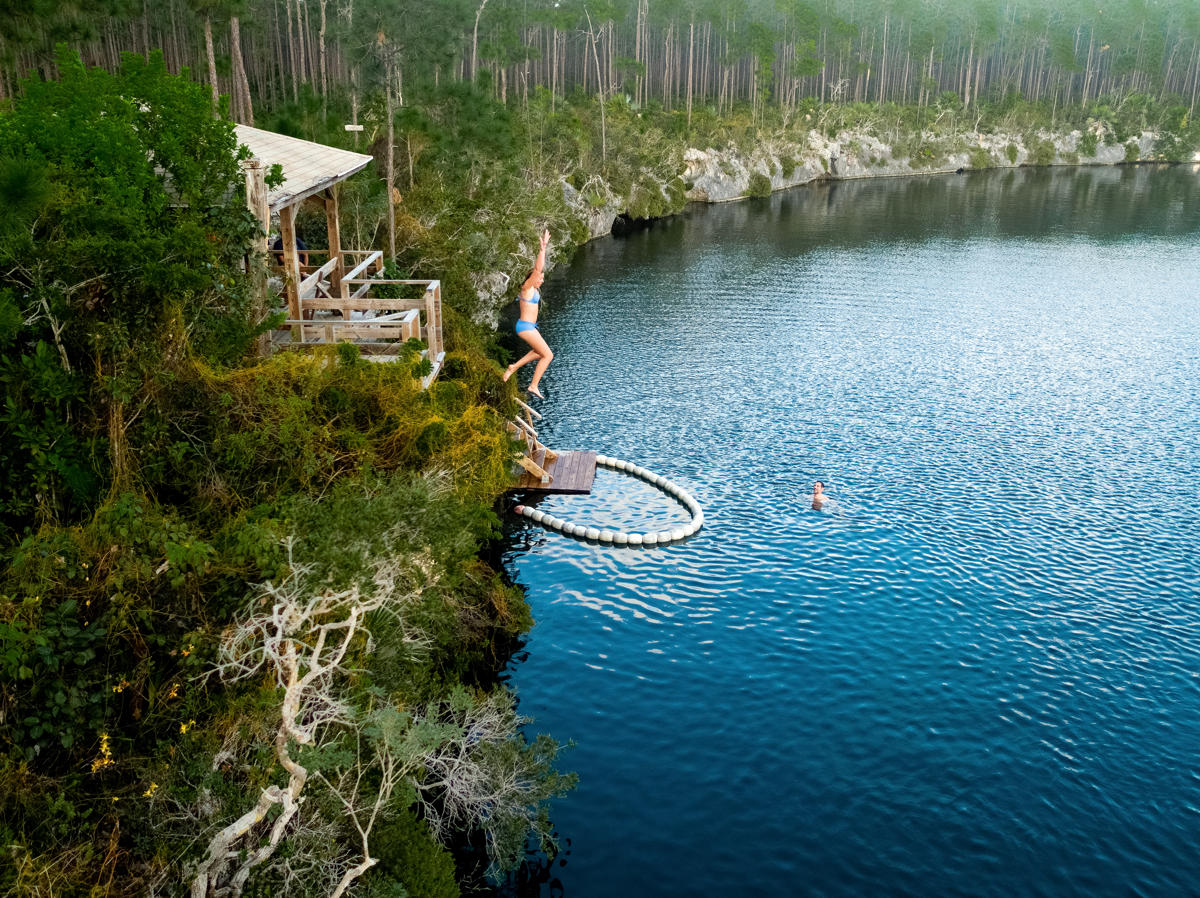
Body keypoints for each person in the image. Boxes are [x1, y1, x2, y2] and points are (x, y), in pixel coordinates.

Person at [502, 228, 554, 398]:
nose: (542, 279)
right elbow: (538, 269)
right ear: (532, 278)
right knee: (548, 355)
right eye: (540, 278)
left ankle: (513, 367)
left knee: (540, 352)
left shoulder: (534, 290)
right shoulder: (527, 288)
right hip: (525, 327)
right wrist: (543, 248)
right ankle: (533, 385)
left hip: (530, 327)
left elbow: (539, 272)